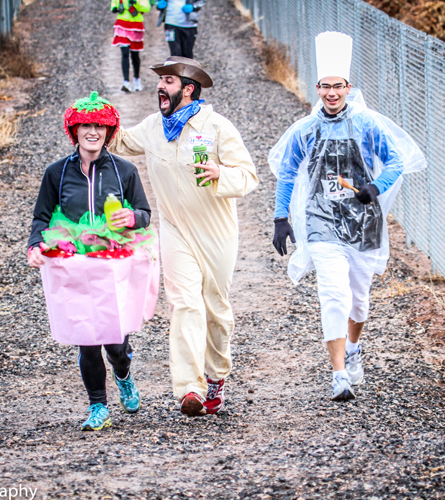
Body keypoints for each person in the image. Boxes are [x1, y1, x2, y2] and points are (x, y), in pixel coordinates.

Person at [270, 32, 425, 402]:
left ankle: (353, 349)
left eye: (338, 87)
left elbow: (396, 161)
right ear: (319, 88)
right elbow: (289, 173)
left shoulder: (369, 124)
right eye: (325, 87)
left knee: (358, 301)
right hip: (321, 222)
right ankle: (339, 374)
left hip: (362, 224)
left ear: (348, 87)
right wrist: (281, 218)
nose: (331, 93)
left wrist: (377, 186)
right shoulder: (305, 130)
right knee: (334, 295)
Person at [108, 56, 258, 417]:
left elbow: (249, 176)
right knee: (184, 303)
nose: (160, 86)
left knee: (215, 308)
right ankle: (190, 386)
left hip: (216, 231)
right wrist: (98, 119)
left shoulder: (218, 127)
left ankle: (216, 376)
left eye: (169, 81)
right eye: (160, 80)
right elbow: (121, 142)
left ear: (188, 89)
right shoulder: (153, 127)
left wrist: (221, 172)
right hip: (174, 229)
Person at [27, 92, 152, 430]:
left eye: (99, 126)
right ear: (75, 131)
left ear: (108, 130)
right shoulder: (57, 173)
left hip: (114, 263)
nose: (92, 131)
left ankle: (123, 374)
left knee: (114, 340)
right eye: (86, 126)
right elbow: (41, 216)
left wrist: (132, 218)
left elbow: (145, 213)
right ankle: (98, 406)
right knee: (87, 336)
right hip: (74, 266)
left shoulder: (124, 170)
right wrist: (35, 244)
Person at [111, 0, 151, 92]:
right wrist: (114, 8)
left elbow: (146, 8)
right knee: (124, 53)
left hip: (136, 25)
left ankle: (137, 79)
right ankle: (126, 82)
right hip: (121, 24)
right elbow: (114, 2)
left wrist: (136, 3)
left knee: (135, 55)